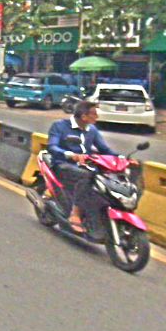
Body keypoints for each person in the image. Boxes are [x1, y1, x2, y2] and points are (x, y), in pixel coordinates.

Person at [47, 100, 118, 234]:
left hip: (86, 165)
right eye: (94, 114)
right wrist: (70, 155)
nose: (97, 117)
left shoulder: (92, 130)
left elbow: (104, 149)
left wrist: (122, 158)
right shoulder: (59, 126)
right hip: (63, 164)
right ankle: (75, 214)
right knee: (87, 176)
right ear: (84, 116)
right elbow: (52, 146)